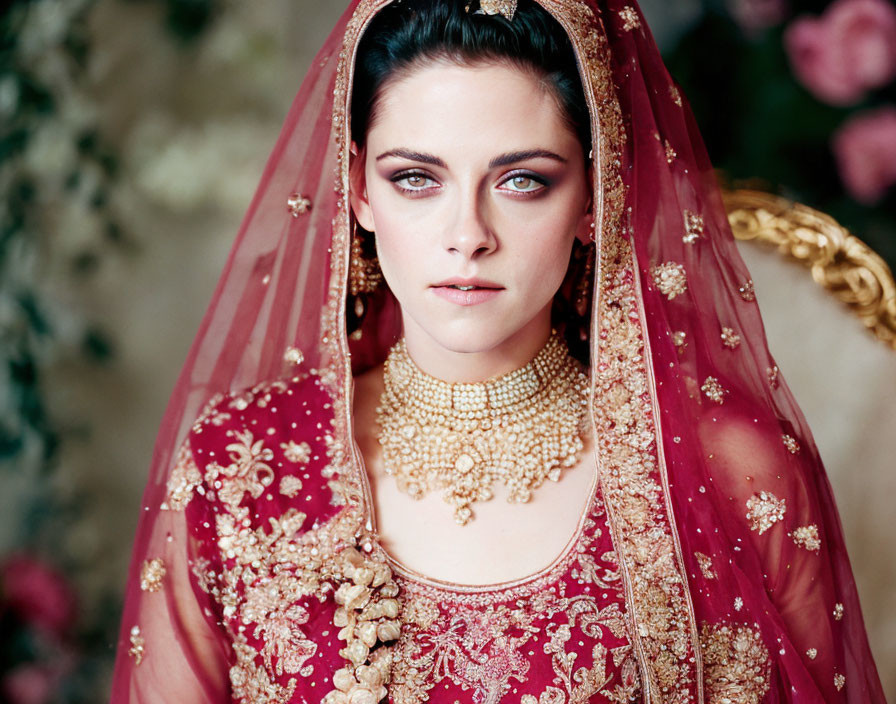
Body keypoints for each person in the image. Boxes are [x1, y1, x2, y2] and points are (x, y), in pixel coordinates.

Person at [109, 0, 886, 701]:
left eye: (521, 181)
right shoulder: (242, 468)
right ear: (359, 192)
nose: (467, 236)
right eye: (416, 178)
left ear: (595, 193)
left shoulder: (730, 470)